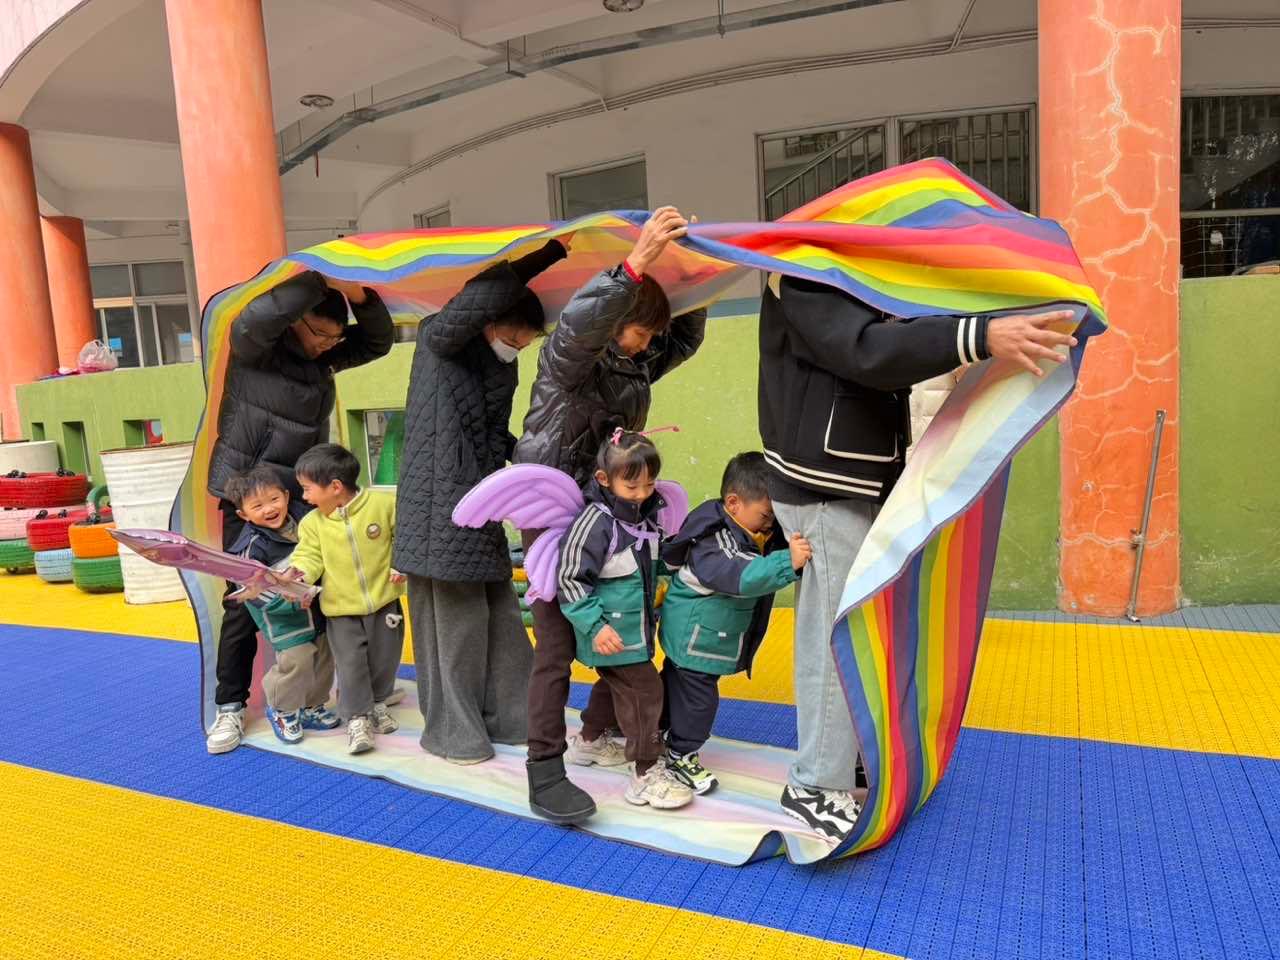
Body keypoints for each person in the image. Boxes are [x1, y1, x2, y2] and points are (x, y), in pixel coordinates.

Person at [757, 270, 1077, 841]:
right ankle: (815, 783)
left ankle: (846, 757)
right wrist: (980, 335)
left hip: (856, 477)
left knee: (862, 627)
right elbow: (866, 350)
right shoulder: (805, 274)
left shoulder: (847, 276)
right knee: (833, 629)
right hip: (823, 485)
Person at [513, 206, 707, 824]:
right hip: (557, 515)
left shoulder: (631, 363)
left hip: (606, 514)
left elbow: (683, 338)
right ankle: (544, 768)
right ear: (616, 323)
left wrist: (697, 273)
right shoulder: (569, 362)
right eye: (640, 332)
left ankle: (600, 734)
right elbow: (579, 325)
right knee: (555, 648)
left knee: (621, 629)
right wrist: (637, 264)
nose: (649, 345)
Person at [205, 271, 393, 755]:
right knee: (246, 603)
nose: (328, 344)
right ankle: (230, 706)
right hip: (251, 497)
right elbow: (253, 319)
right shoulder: (256, 351)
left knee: (316, 598)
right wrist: (317, 277)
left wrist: (357, 295)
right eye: (320, 333)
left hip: (302, 498)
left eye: (335, 337)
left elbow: (378, 343)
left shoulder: (322, 358)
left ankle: (309, 698)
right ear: (295, 321)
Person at [396, 239, 569, 764]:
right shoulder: (440, 340)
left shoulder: (501, 367)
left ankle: (515, 720)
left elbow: (493, 435)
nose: (517, 348)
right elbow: (476, 297)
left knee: (501, 618)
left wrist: (532, 463)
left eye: (526, 343)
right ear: (489, 321)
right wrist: (546, 255)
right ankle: (455, 734)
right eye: (514, 338)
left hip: (479, 503)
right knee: (455, 627)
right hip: (436, 509)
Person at [657, 452, 811, 795]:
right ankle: (680, 754)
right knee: (698, 704)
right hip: (693, 640)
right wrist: (788, 562)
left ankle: (656, 729)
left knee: (674, 691)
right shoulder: (713, 540)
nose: (770, 526)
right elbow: (741, 573)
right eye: (766, 516)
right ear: (733, 503)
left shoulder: (748, 529)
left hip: (705, 639)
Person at [556, 432, 692, 811]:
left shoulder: (647, 517)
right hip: (609, 632)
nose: (642, 494)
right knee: (646, 690)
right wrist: (595, 626)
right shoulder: (594, 523)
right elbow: (569, 578)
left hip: (635, 631)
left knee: (615, 684)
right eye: (632, 487)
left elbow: (653, 565)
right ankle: (646, 772)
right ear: (604, 479)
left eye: (649, 484)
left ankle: (589, 741)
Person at [286, 444, 406, 755]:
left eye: (307, 489)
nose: (305, 497)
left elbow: (403, 539)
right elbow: (309, 556)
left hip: (384, 603)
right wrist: (299, 573)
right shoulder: (313, 523)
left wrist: (401, 565)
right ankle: (357, 719)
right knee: (351, 664)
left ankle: (377, 703)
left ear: (335, 487)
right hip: (341, 610)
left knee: (384, 659)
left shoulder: (382, 505)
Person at [224, 466, 339, 744]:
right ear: (243, 514)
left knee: (324, 657)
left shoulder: (306, 520)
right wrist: (284, 602)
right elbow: (249, 590)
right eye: (257, 506)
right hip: (284, 618)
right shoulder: (250, 547)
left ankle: (313, 705)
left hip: (318, 607)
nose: (269, 509)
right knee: (295, 662)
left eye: (274, 499)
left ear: (287, 496)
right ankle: (282, 709)